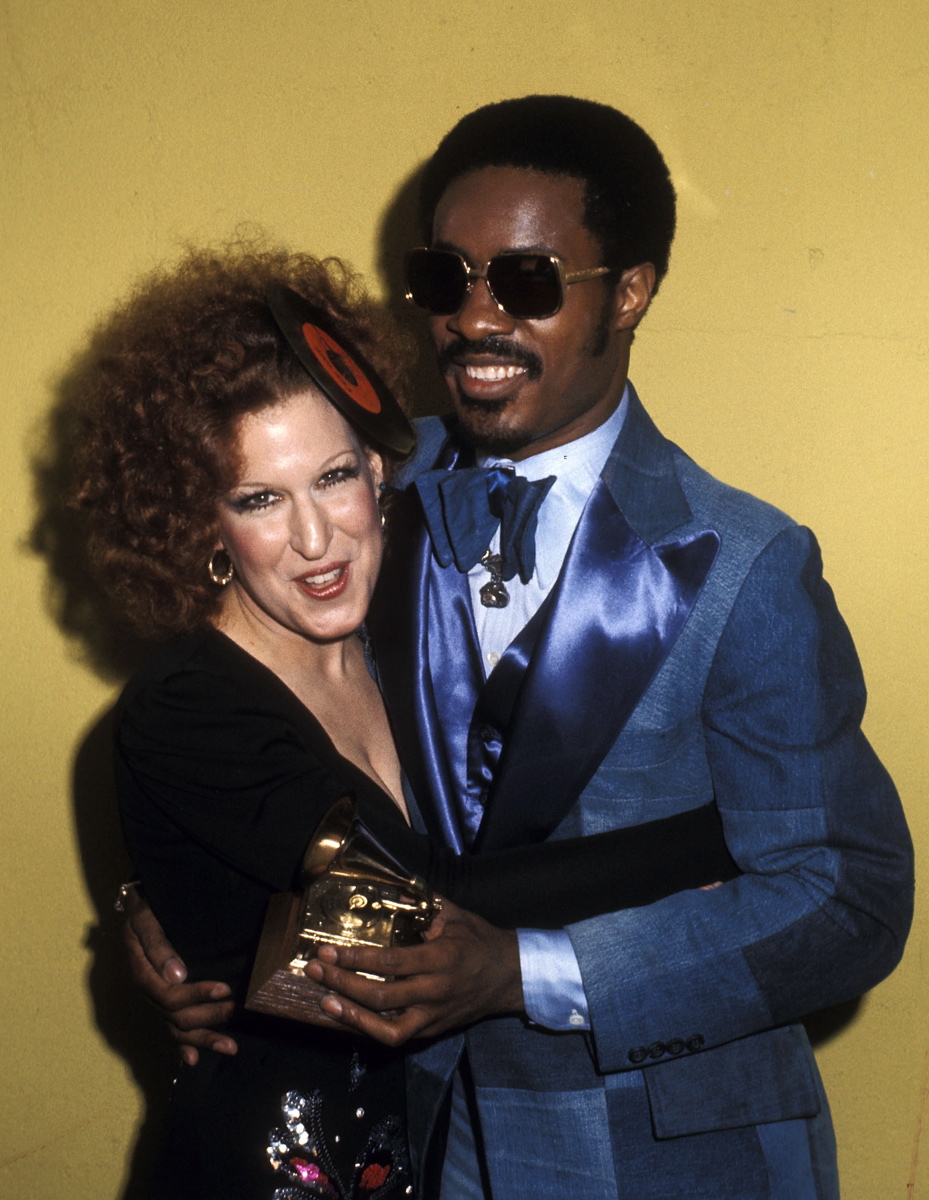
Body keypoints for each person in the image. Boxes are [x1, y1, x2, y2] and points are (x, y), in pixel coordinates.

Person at [127, 97, 914, 1198]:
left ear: (629, 291)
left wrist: (531, 971)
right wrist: (182, 921)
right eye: (447, 279)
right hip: (425, 1147)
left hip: (670, 1160)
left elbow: (850, 899)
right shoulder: (358, 486)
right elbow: (255, 725)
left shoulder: (744, 564)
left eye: (530, 281)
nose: (476, 319)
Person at [74, 240, 740, 1199]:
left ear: (382, 471)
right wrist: (717, 838)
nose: (314, 538)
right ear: (197, 520)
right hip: (268, 1171)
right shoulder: (188, 706)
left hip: (441, 1153)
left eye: (335, 476)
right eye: (259, 498)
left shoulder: (399, 628)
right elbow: (421, 891)